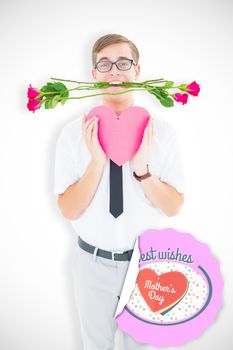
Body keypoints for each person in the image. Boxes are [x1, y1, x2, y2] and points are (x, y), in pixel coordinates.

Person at [53, 33, 185, 350]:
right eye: (105, 64)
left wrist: (143, 170)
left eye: (123, 63)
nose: (114, 71)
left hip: (148, 265)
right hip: (91, 263)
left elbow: (173, 206)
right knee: (95, 345)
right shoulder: (73, 135)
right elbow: (69, 210)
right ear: (94, 74)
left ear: (137, 71)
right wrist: (96, 162)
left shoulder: (161, 132)